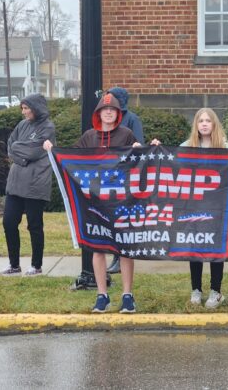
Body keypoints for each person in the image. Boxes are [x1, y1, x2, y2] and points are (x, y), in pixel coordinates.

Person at [44, 93, 141, 314]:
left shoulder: (126, 134)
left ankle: (128, 295)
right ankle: (102, 294)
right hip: (95, 202)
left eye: (113, 110)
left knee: (125, 247)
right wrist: (52, 150)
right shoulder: (89, 137)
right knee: (98, 248)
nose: (108, 112)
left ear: (118, 114)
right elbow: (72, 160)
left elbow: (139, 160)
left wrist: (140, 148)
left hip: (121, 200)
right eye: (104, 110)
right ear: (98, 114)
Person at [180, 108, 228, 308]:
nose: (205, 124)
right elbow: (170, 161)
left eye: (208, 120)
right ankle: (196, 290)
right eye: (201, 121)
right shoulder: (187, 146)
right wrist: (156, 149)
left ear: (214, 124)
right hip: (194, 206)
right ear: (196, 125)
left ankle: (216, 291)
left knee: (216, 248)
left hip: (217, 207)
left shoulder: (224, 147)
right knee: (195, 246)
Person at [0, 94, 56, 276]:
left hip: (35, 182)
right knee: (8, 222)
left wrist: (19, 151)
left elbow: (33, 151)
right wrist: (20, 154)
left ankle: (36, 265)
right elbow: (10, 146)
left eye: (27, 108)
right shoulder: (22, 125)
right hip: (15, 182)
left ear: (36, 107)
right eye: (22, 108)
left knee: (34, 225)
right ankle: (14, 265)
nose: (24, 112)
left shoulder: (48, 127)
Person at [105, 86, 144, 274]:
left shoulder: (132, 119)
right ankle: (115, 256)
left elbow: (139, 146)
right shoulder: (107, 118)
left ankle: (122, 257)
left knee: (123, 219)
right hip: (110, 175)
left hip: (126, 175)